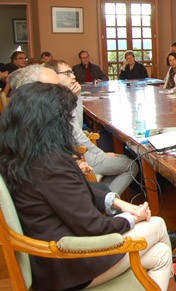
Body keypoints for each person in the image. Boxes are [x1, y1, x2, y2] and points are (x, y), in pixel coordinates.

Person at [0, 81, 176, 291]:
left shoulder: (20, 154)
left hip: (50, 262)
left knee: (161, 253)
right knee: (158, 224)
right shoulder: (51, 164)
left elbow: (76, 193)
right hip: (70, 262)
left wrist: (121, 205)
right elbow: (93, 226)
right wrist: (133, 218)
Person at [12, 62, 138, 196]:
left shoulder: (49, 104)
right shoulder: (47, 110)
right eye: (67, 73)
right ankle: (107, 201)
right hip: (77, 155)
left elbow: (76, 125)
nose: (73, 76)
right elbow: (75, 133)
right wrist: (99, 154)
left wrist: (75, 97)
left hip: (73, 155)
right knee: (131, 164)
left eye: (72, 72)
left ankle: (104, 198)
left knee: (119, 156)